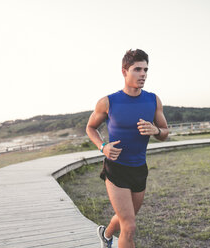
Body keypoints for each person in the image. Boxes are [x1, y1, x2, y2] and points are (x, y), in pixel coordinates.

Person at [86, 49, 169, 248]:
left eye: (146, 70)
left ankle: (105, 234)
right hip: (116, 168)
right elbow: (90, 127)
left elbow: (165, 133)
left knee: (126, 218)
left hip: (139, 169)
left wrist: (155, 129)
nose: (143, 74)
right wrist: (102, 146)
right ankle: (109, 237)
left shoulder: (153, 100)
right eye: (137, 69)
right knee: (129, 226)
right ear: (124, 71)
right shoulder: (108, 102)